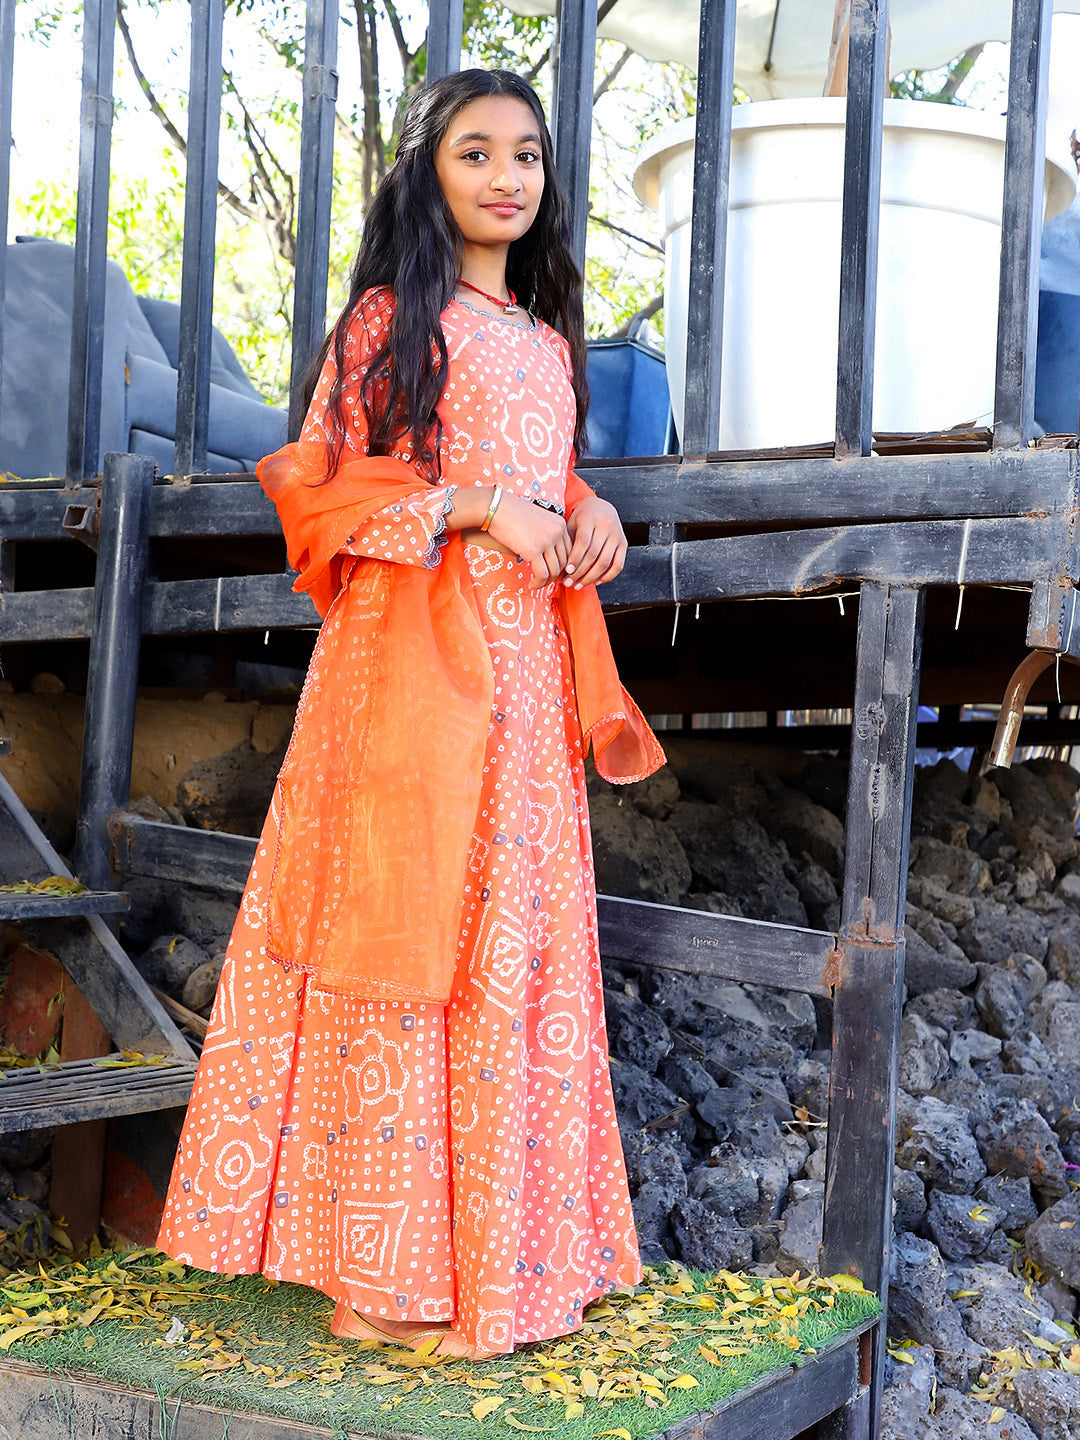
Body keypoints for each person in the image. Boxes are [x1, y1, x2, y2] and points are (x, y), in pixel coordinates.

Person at [157, 67, 665, 1362]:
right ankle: (376, 1275)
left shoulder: (550, 347)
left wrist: (586, 508)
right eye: (475, 152)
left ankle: (517, 1261)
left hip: (527, 686)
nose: (507, 175)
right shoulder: (390, 319)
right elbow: (325, 491)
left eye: (528, 156)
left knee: (515, 947)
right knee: (404, 935)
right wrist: (478, 507)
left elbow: (550, 484)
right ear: (429, 176)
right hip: (408, 681)